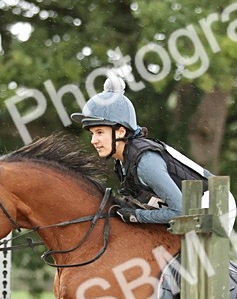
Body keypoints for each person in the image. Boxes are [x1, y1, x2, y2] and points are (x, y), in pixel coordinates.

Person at [71, 75, 211, 225]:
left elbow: (180, 212)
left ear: (121, 132)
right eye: (92, 134)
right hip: (188, 207)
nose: (93, 140)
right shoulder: (122, 160)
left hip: (214, 205)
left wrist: (136, 215)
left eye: (99, 132)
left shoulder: (146, 163)